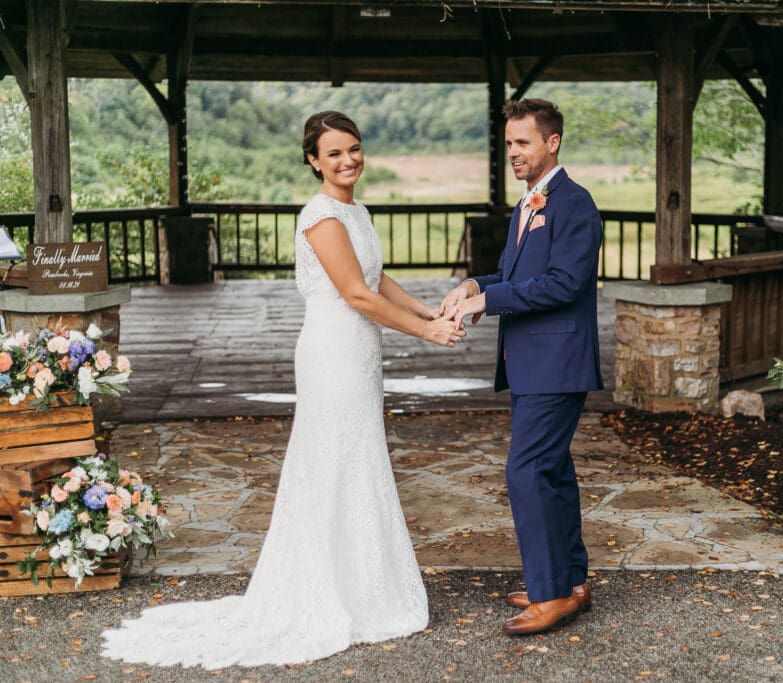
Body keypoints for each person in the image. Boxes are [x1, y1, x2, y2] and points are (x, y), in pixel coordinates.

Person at [102, 111, 465, 668]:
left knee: (358, 458)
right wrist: (429, 331)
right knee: (332, 460)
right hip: (333, 350)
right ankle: (323, 591)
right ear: (314, 161)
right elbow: (355, 294)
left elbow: (376, 277)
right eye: (335, 153)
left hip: (361, 351)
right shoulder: (320, 216)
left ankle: (364, 585)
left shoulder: (357, 211)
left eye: (355, 149)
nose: (348, 160)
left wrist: (427, 305)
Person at [441, 98, 603, 636]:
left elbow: (564, 283)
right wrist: (475, 285)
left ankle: (552, 592)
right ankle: (570, 580)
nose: (513, 152)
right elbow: (514, 273)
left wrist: (490, 301)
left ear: (551, 143)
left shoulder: (574, 204)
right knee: (551, 471)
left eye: (522, 143)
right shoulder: (528, 204)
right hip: (532, 363)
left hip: (558, 362)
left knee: (526, 471)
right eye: (508, 143)